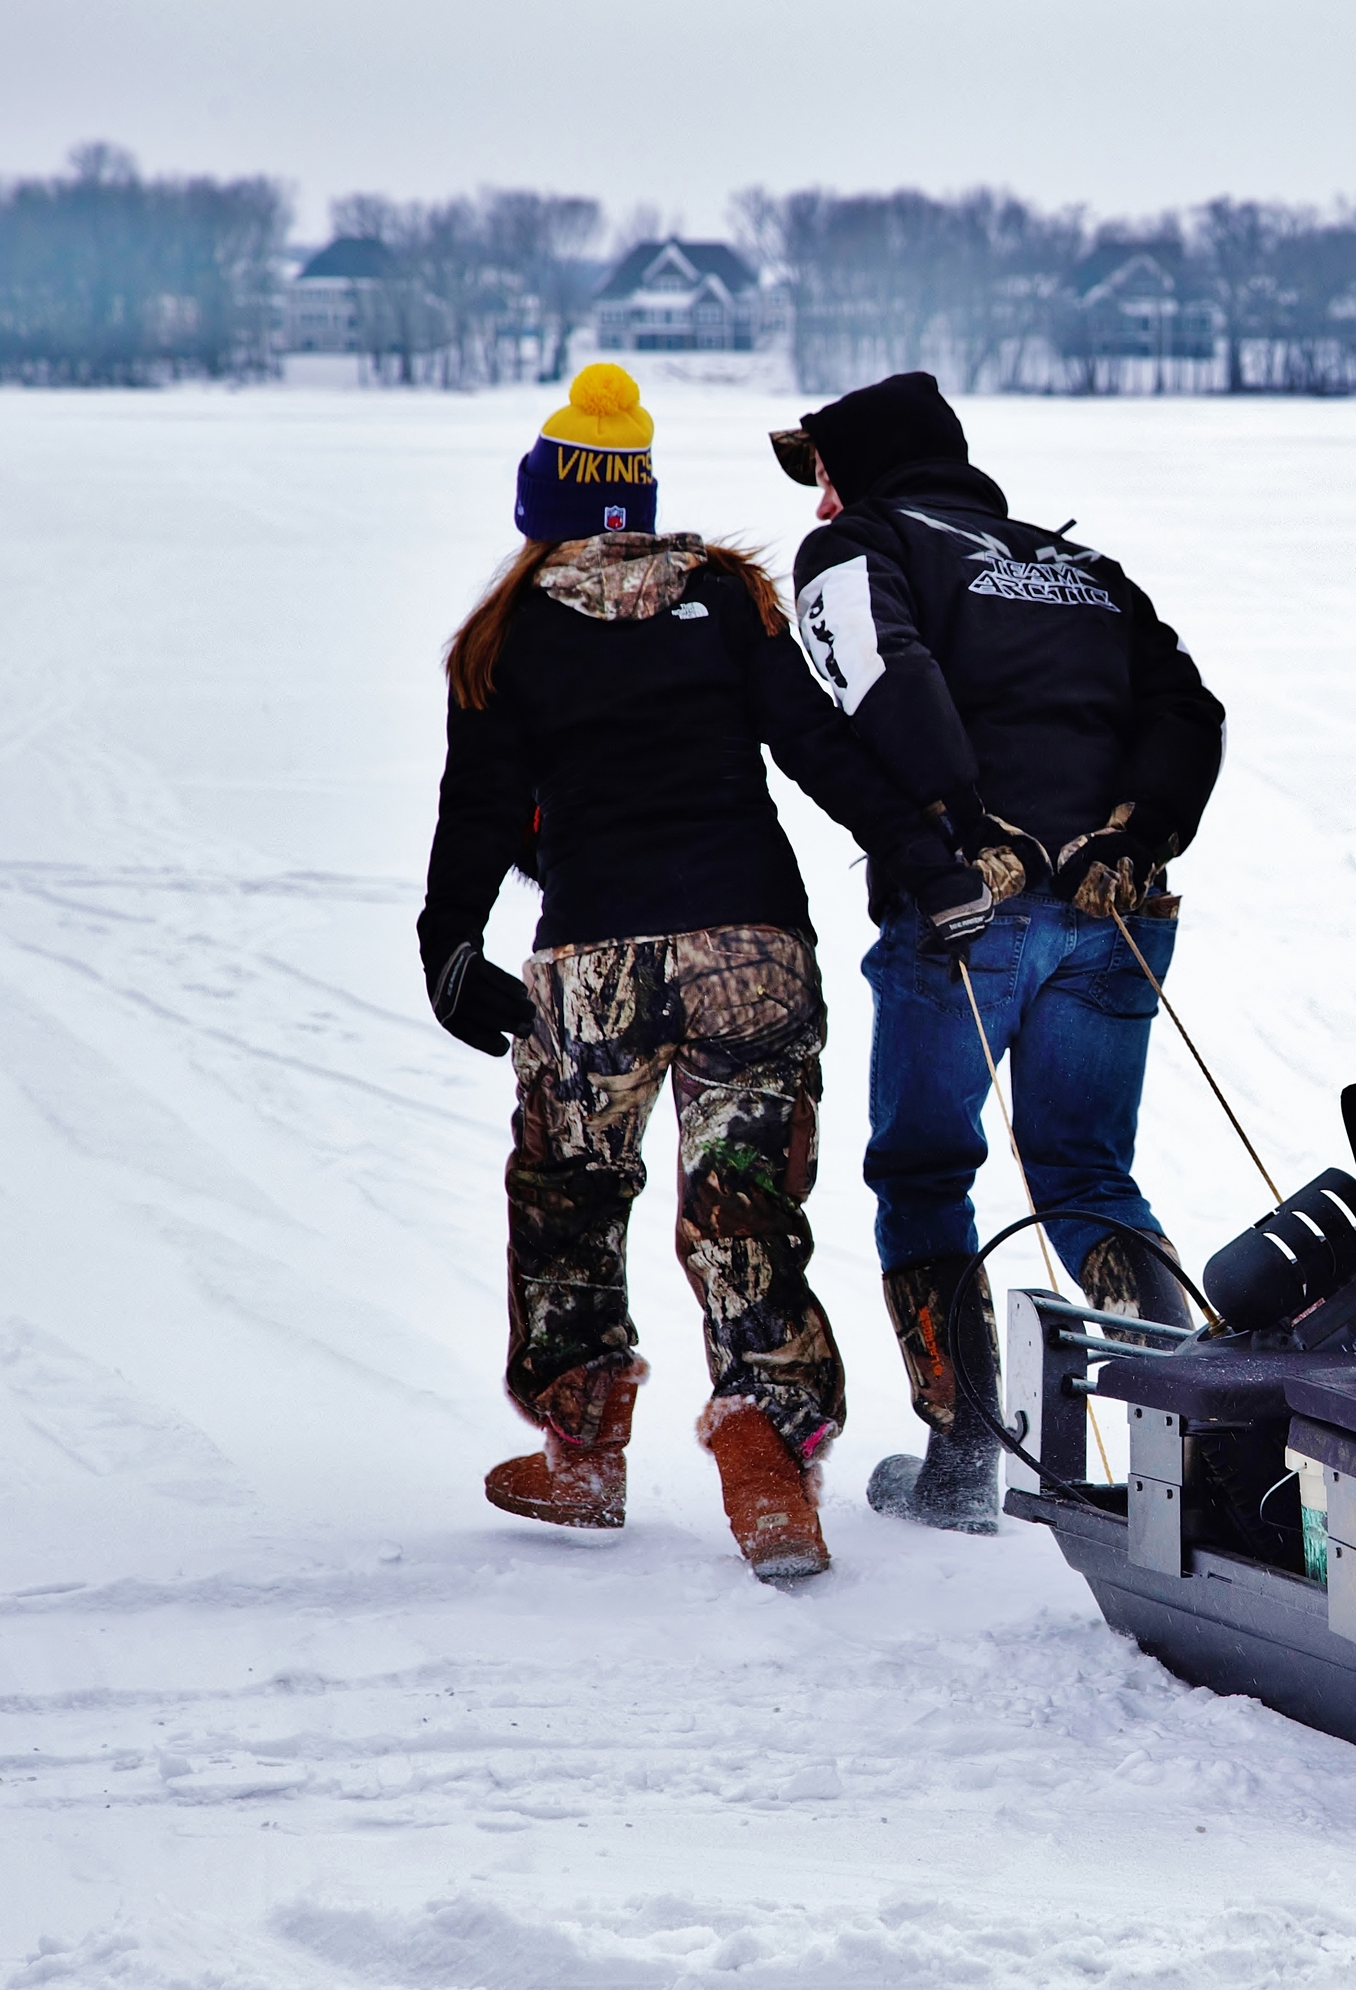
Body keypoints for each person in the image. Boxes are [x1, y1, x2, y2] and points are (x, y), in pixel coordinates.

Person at [419, 364, 953, 1585]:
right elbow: (824, 751)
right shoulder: (729, 597)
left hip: (593, 960)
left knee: (568, 1190)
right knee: (745, 1200)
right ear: (641, 498)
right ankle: (767, 1456)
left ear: (543, 503)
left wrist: (449, 943)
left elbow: (479, 809)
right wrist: (926, 857)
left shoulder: (503, 637)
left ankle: (583, 1448)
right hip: (751, 951)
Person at [767, 372, 1227, 1533]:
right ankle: (1205, 1444)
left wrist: (966, 825)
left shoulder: (862, 548)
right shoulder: (1081, 569)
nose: (817, 497)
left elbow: (881, 669)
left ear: (859, 465)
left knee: (925, 1171)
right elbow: (1190, 710)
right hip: (1117, 910)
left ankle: (964, 1459)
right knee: (1088, 1179)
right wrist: (1135, 833)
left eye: (820, 470)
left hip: (973, 910)